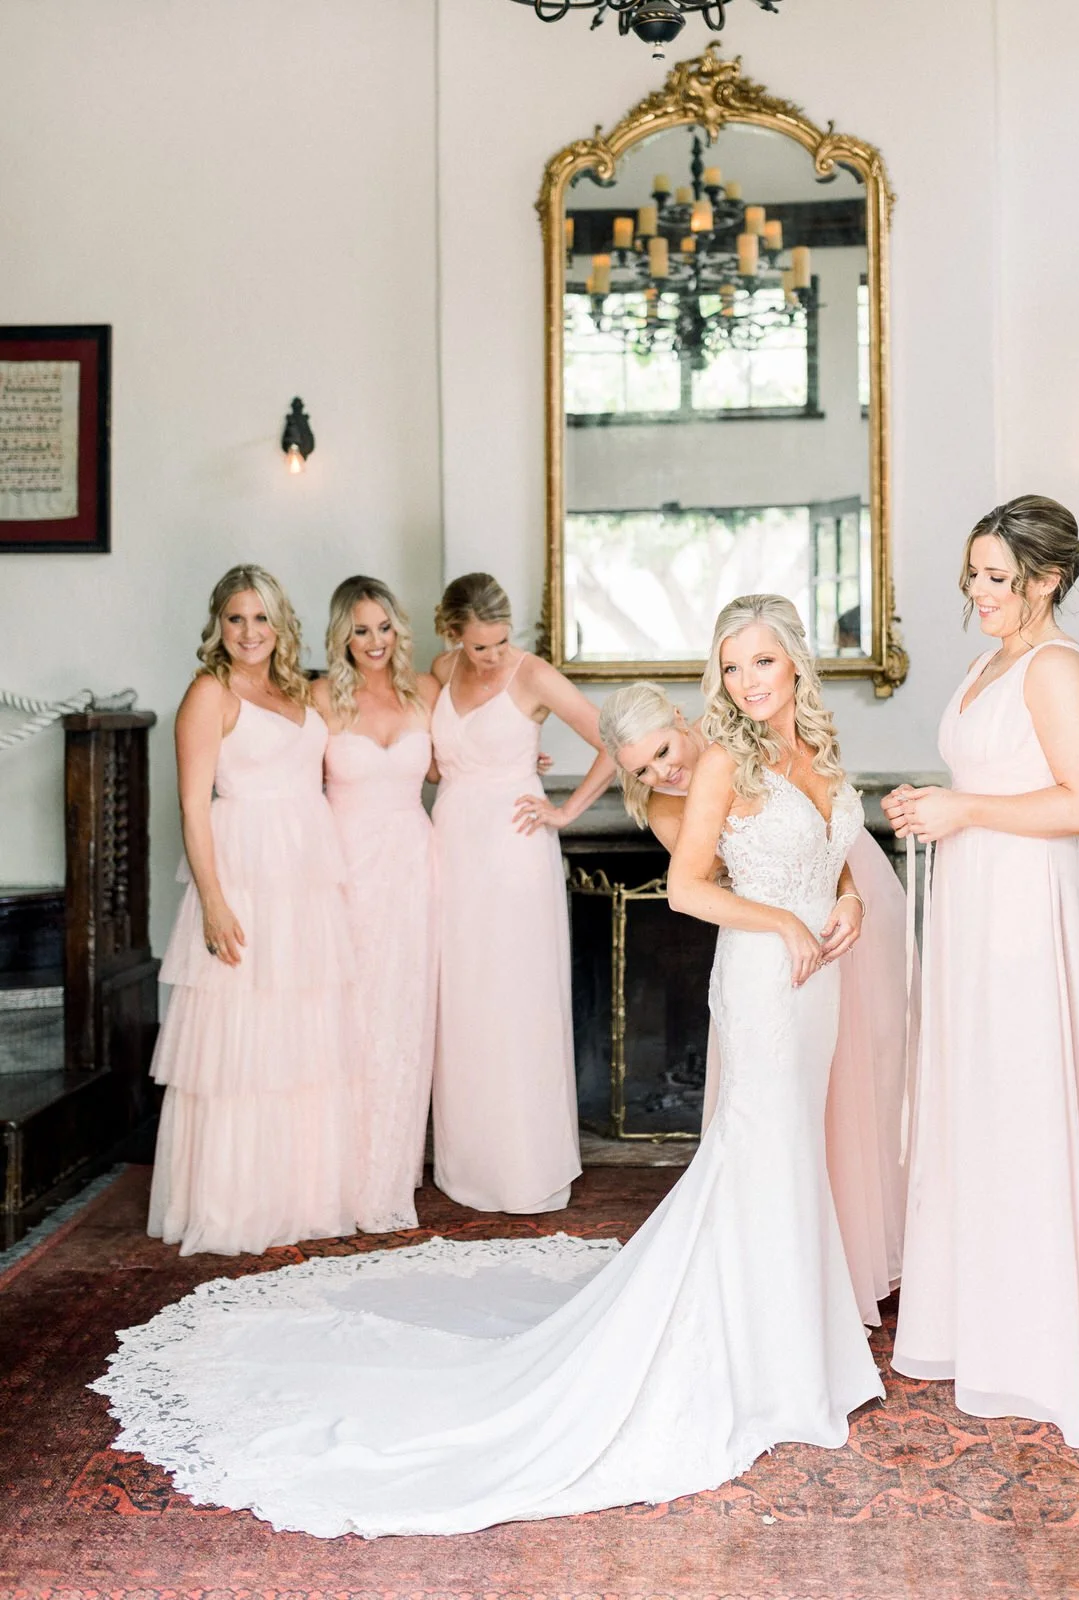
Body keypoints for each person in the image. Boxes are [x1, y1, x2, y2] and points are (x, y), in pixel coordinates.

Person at [93, 592, 883, 1538]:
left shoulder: (811, 749)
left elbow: (826, 851)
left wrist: (849, 901)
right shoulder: (720, 760)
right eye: (732, 665)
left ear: (795, 662)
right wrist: (786, 919)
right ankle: (761, 1360)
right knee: (757, 1152)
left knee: (791, 1156)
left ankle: (797, 1346)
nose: (748, 681)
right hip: (764, 979)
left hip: (817, 986)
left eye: (762, 661)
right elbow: (690, 887)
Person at [881, 494, 1079, 1445]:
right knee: (977, 1100)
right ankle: (979, 1327)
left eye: (997, 577)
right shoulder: (988, 663)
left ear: (1049, 579)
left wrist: (967, 812)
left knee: (1026, 1099)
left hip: (1029, 907)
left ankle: (1042, 1348)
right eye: (974, 573)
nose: (978, 591)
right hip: (975, 897)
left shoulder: (1058, 668)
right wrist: (933, 805)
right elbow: (990, 783)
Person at [598, 678, 909, 1324]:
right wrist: (786, 918)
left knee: (864, 1079)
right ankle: (770, 1284)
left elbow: (819, 832)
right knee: (778, 1116)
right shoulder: (666, 806)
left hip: (843, 898)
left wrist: (849, 893)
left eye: (662, 751)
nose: (662, 773)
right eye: (643, 770)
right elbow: (717, 884)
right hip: (778, 950)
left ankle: (847, 1257)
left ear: (680, 718)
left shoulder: (746, 736)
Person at [147, 565, 356, 1256]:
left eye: (261, 617)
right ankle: (234, 1201)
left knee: (297, 1035)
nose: (249, 631)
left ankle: (298, 1196)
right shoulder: (209, 692)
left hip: (305, 881)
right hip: (244, 875)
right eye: (236, 618)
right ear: (218, 624)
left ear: (279, 623)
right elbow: (192, 806)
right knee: (240, 1041)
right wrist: (213, 902)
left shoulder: (297, 690)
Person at [428, 572, 614, 1213]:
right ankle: (469, 1163)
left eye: (501, 642)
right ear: (452, 633)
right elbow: (434, 763)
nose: (492, 656)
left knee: (515, 999)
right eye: (479, 646)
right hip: (452, 847)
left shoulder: (533, 675)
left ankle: (525, 1165)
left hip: (514, 852)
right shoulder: (440, 670)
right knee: (464, 1000)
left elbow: (614, 741)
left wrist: (566, 810)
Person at [313, 577, 439, 1233]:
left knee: (403, 1019)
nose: (374, 641)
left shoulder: (425, 692)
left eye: (384, 627)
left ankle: (389, 1175)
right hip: (345, 874)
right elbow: (292, 787)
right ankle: (336, 1178)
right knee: (349, 1021)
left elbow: (453, 766)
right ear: (341, 635)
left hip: (415, 873)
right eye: (360, 630)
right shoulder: (319, 698)